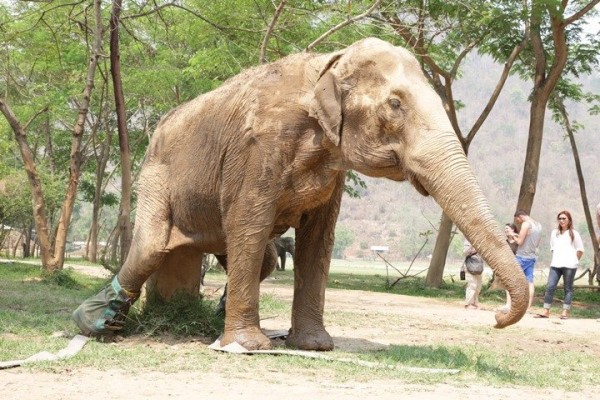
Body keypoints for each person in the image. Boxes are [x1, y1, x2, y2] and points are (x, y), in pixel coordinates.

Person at [534, 211, 584, 319]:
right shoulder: (554, 233)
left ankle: (565, 311)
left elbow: (580, 250)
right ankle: (546, 310)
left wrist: (574, 260)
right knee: (550, 287)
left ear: (569, 220)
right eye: (560, 218)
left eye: (564, 218)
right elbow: (553, 248)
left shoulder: (574, 233)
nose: (561, 220)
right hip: (555, 264)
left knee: (568, 288)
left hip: (570, 265)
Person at [507, 209, 542, 309]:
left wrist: (512, 234)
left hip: (522, 257)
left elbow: (519, 242)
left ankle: (510, 305)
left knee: (511, 279)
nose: (517, 222)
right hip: (531, 257)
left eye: (517, 219)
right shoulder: (538, 225)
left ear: (520, 216)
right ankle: (528, 306)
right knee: (530, 282)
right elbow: (534, 241)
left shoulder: (526, 224)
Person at [497, 223, 520, 312]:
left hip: (517, 265)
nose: (506, 231)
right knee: (508, 285)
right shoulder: (505, 242)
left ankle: (516, 305)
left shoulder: (518, 241)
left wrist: (514, 236)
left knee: (516, 286)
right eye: (505, 229)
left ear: (513, 230)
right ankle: (508, 304)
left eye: (508, 229)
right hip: (507, 265)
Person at [462, 239, 483, 310]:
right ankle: (468, 303)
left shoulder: (480, 241)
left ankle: (475, 303)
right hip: (470, 264)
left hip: (478, 265)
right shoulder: (468, 241)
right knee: (472, 284)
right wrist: (472, 247)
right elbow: (465, 252)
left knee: (478, 286)